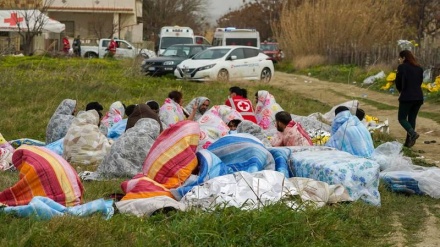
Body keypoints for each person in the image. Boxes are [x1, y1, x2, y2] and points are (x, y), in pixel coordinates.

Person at [395, 50, 424, 148]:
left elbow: (398, 82)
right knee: (412, 119)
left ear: (403, 58)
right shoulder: (419, 68)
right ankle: (408, 143)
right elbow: (420, 82)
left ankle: (413, 134)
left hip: (407, 97)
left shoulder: (402, 67)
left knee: (402, 118)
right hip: (419, 97)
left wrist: (400, 91)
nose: (399, 60)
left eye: (400, 58)